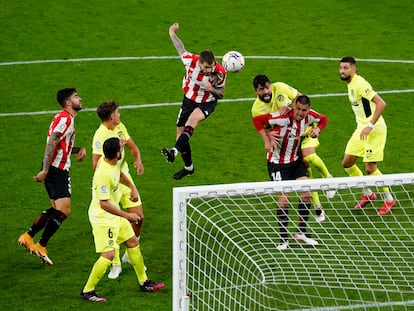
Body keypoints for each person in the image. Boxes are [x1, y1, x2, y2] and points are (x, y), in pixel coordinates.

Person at [80, 137, 164, 302]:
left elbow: (120, 173)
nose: (122, 150)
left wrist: (132, 187)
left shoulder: (111, 162)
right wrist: (127, 215)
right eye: (120, 148)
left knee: (132, 242)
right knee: (109, 254)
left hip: (114, 215)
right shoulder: (102, 174)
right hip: (103, 218)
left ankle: (144, 282)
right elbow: (103, 204)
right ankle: (87, 291)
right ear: (117, 154)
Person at [252, 74, 335, 223]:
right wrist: (268, 135)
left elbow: (301, 99)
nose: (265, 92)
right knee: (305, 173)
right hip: (285, 140)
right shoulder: (257, 109)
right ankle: (318, 207)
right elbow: (262, 126)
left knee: (308, 156)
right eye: (261, 90)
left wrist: (290, 107)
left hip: (304, 129)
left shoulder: (282, 88)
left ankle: (328, 177)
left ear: (271, 86)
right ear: (256, 92)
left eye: (267, 88)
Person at [18, 88, 86, 265]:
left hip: (55, 168)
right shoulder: (65, 118)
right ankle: (40, 244)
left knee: (57, 210)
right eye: (76, 97)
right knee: (63, 210)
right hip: (56, 169)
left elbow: (61, 144)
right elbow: (53, 141)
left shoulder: (65, 118)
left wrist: (79, 149)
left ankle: (29, 236)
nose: (80, 98)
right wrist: (46, 170)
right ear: (68, 103)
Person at [252, 95, 328, 250]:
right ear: (293, 105)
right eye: (298, 109)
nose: (300, 113)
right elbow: (257, 121)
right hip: (277, 164)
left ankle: (301, 233)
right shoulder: (280, 117)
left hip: (295, 161)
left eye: (304, 110)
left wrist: (318, 129)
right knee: (284, 199)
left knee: (306, 193)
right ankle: (283, 239)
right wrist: (267, 139)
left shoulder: (310, 116)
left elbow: (324, 119)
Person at [162, 22, 227, 179]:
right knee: (180, 133)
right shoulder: (190, 60)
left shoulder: (220, 72)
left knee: (192, 122)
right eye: (205, 68)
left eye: (211, 67)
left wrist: (211, 89)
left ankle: (174, 152)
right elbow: (180, 49)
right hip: (188, 100)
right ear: (199, 63)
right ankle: (188, 167)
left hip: (207, 102)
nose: (208, 71)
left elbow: (221, 93)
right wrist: (172, 33)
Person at [92, 100, 145, 279]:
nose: (120, 114)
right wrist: (111, 176)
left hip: (125, 179)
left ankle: (129, 253)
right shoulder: (100, 135)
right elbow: (95, 163)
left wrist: (137, 159)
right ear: (111, 116)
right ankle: (116, 264)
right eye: (117, 112)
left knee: (138, 218)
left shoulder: (120, 127)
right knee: (114, 226)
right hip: (112, 184)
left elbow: (133, 147)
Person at [339, 57, 396, 215]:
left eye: (346, 68)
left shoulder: (360, 84)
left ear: (354, 69)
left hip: (374, 129)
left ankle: (389, 199)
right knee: (347, 163)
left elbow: (381, 103)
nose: (342, 71)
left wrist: (370, 125)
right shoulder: (351, 85)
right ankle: (369, 193)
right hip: (361, 128)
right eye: (341, 68)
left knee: (370, 168)